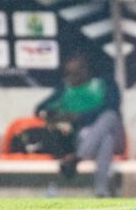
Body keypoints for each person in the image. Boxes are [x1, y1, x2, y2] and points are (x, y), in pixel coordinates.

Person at [34, 47, 125, 198]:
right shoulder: (66, 88)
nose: (71, 77)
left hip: (117, 137)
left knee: (109, 116)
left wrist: (80, 117)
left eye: (75, 73)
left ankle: (77, 158)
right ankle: (102, 192)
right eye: (68, 73)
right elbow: (40, 109)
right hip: (86, 138)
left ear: (86, 70)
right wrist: (60, 116)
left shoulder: (105, 84)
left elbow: (112, 106)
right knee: (105, 140)